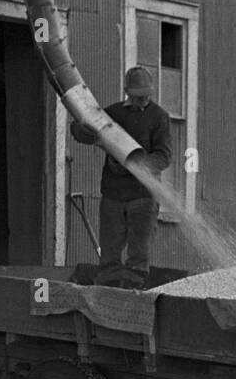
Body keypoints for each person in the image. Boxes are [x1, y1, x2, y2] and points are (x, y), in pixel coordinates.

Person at [71, 66, 172, 288]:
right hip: (113, 194)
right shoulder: (113, 113)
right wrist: (82, 131)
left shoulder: (159, 117)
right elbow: (79, 129)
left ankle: (133, 293)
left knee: (138, 254)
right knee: (110, 253)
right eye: (138, 97)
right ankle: (107, 292)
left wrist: (137, 164)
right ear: (127, 92)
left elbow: (164, 157)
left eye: (146, 95)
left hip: (143, 196)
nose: (143, 100)